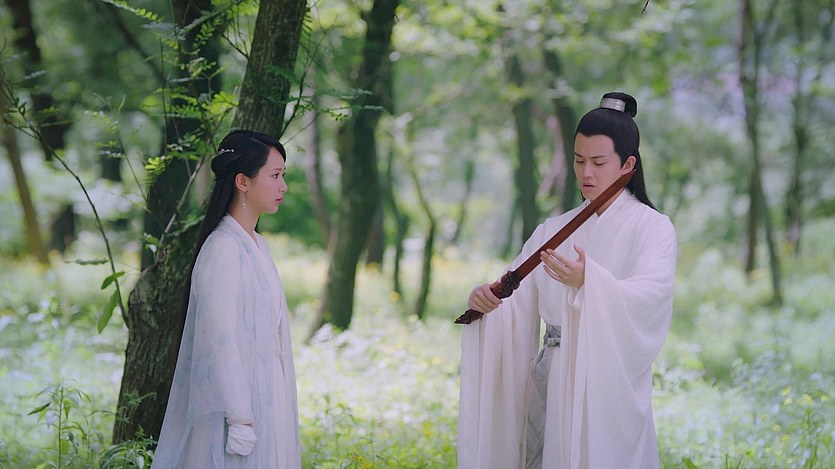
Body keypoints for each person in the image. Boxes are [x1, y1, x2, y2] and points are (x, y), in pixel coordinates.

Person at [458, 92, 677, 469]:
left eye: (598, 162)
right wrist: (487, 302)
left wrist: (590, 282)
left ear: (627, 164)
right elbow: (515, 301)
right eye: (578, 160)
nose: (586, 173)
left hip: (607, 382)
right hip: (553, 374)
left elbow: (650, 296)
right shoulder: (552, 230)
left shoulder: (653, 228)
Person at [151, 130, 302, 468]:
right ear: (242, 181)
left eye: (283, 176)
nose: (283, 186)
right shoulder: (223, 248)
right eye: (275, 176)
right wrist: (239, 418)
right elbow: (219, 340)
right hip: (236, 408)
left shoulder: (258, 246)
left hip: (269, 393)